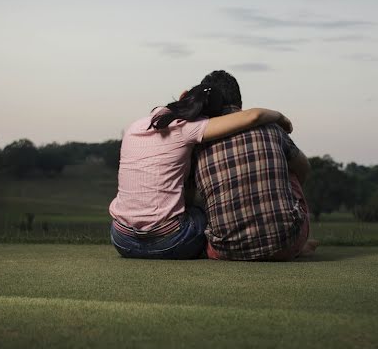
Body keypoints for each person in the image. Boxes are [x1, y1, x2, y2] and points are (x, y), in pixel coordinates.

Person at [109, 83, 292, 259]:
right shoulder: (188, 128)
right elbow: (254, 117)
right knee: (204, 214)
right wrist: (281, 118)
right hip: (169, 243)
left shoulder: (135, 127)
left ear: (182, 95)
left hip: (121, 239)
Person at [193, 71, 317, 261]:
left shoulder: (198, 139)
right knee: (291, 166)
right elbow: (304, 168)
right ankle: (294, 243)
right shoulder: (271, 127)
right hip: (285, 242)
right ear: (239, 102)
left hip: (226, 251)